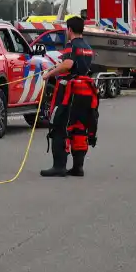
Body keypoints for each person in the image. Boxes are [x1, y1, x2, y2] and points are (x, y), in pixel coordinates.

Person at [40, 16, 99, 177]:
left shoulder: (71, 45)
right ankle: (78, 167)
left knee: (59, 125)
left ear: (70, 30)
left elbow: (68, 65)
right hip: (85, 92)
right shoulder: (87, 46)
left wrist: (49, 74)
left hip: (70, 92)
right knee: (79, 127)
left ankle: (59, 166)